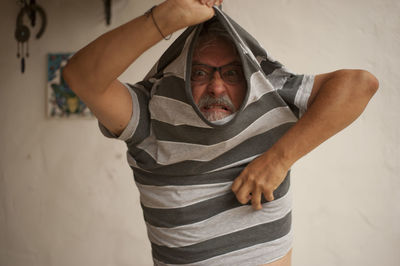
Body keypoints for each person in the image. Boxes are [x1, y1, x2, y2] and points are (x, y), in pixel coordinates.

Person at [62, 1, 379, 265]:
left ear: (250, 79)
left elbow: (359, 85)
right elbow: (81, 77)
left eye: (231, 73)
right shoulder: (151, 113)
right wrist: (168, 17)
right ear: (179, 75)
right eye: (199, 73)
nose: (216, 86)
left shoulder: (271, 96)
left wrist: (278, 159)